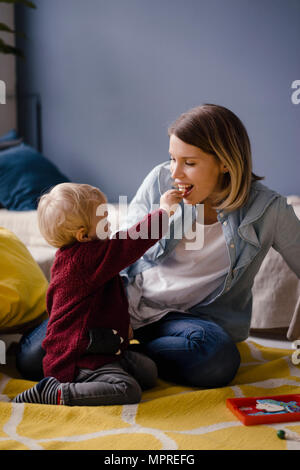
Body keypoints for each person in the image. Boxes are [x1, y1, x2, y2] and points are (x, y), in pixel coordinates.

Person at [16, 104, 300, 389]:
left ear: (225, 163)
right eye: (172, 158)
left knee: (217, 359)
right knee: (31, 360)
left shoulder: (268, 210)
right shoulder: (160, 180)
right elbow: (124, 244)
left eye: (189, 163)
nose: (175, 172)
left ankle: (115, 354)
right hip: (123, 303)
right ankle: (112, 353)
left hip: (184, 321)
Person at [13, 182, 183, 406]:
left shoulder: (78, 257)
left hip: (104, 347)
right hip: (79, 359)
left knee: (148, 372)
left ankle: (103, 373)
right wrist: (164, 211)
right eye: (103, 218)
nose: (110, 223)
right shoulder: (86, 259)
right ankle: (57, 392)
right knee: (128, 389)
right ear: (83, 235)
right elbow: (132, 241)